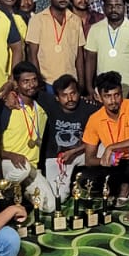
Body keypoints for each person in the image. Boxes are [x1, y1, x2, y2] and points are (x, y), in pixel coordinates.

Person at [78, 70, 129, 220]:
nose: (113, 101)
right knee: (87, 179)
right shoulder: (94, 119)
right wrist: (105, 161)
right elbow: (89, 159)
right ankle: (126, 185)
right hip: (119, 164)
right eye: (107, 96)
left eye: (117, 95)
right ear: (99, 97)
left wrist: (112, 147)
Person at [0, 62, 54, 212]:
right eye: (25, 81)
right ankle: (3, 192)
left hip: (31, 167)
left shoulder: (41, 107)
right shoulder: (8, 107)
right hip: (8, 163)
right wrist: (10, 155)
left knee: (50, 206)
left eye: (34, 80)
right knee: (23, 169)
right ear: (16, 84)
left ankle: (21, 192)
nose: (31, 85)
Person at [38, 73, 94, 202]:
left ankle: (96, 182)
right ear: (57, 98)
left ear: (79, 93)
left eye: (73, 93)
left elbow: (99, 138)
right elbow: (24, 88)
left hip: (81, 153)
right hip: (57, 158)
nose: (70, 99)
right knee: (58, 198)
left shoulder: (90, 108)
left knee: (107, 149)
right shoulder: (49, 104)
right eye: (64, 95)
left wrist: (74, 152)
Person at [82, 0, 129, 94]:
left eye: (118, 6)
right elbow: (90, 58)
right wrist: (89, 87)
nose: (113, 9)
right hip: (103, 91)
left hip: (128, 88)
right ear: (104, 7)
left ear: (124, 7)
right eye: (110, 6)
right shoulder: (95, 29)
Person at [26, 0, 85, 87]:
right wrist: (38, 83)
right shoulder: (37, 20)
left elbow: (79, 55)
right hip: (46, 82)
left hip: (70, 82)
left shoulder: (76, 20)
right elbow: (32, 55)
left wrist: (81, 83)